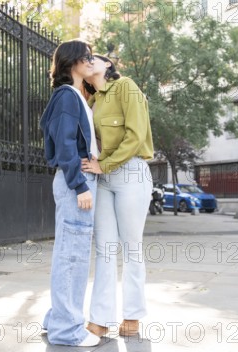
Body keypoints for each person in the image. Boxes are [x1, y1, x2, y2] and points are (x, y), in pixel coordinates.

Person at [81, 55, 154, 337]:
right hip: (102, 178)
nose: (87, 61)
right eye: (83, 59)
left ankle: (133, 316)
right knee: (104, 248)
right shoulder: (90, 102)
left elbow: (136, 136)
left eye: (92, 57)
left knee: (131, 246)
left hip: (130, 173)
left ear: (107, 64)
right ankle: (100, 317)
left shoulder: (126, 86)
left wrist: (104, 165)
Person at [40, 40, 101, 347]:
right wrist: (79, 185)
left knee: (69, 252)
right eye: (87, 57)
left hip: (76, 180)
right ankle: (67, 330)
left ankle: (56, 321)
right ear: (72, 61)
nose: (92, 61)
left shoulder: (78, 96)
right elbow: (65, 145)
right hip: (75, 181)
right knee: (72, 256)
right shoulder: (67, 96)